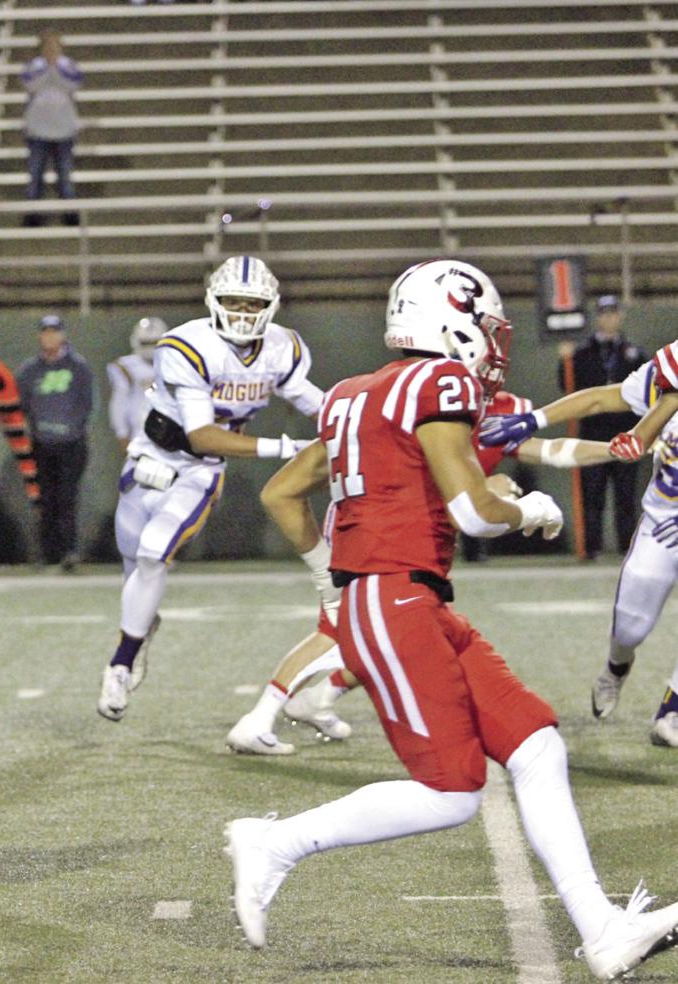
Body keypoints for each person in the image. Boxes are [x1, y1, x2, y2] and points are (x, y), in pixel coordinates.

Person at [226, 259, 678, 980]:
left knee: (535, 742)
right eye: (485, 327)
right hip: (397, 596)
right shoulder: (442, 382)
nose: (493, 344)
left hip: (404, 598)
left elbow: (284, 493)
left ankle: (601, 929)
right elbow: (473, 510)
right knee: (452, 791)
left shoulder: (352, 394)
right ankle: (276, 842)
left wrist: (331, 577)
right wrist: (528, 507)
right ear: (453, 319)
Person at [228, 388, 628, 755]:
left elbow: (551, 449)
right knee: (341, 628)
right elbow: (407, 475)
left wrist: (615, 448)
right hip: (373, 525)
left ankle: (320, 697)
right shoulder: (415, 398)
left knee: (403, 630)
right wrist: (486, 487)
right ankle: (259, 719)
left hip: (417, 536)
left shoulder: (493, 406)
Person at [98, 257, 321, 722]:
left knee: (154, 553)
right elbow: (201, 432)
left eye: (252, 303)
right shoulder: (187, 344)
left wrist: (350, 420)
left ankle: (120, 663)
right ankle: (139, 632)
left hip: (201, 470)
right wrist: (288, 446)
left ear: (271, 306)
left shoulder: (283, 349)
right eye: (233, 302)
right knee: (134, 564)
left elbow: (314, 401)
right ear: (213, 302)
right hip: (152, 454)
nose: (242, 312)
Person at [481, 341, 678, 747]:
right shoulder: (664, 383)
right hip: (664, 518)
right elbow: (603, 400)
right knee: (631, 621)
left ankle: (672, 707)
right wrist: (535, 418)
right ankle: (616, 667)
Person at [562, 294, 649, 558]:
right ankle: (591, 547)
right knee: (593, 493)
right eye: (604, 313)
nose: (609, 318)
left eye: (613, 313)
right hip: (593, 431)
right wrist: (564, 361)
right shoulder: (582, 353)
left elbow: (646, 391)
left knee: (625, 495)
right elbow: (567, 386)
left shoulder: (634, 353)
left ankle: (626, 546)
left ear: (620, 316)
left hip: (626, 431)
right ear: (598, 317)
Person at [17, 315, 95, 570]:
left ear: (63, 335)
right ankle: (48, 552)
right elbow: (23, 406)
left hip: (71, 444)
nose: (50, 337)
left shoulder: (78, 367)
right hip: (41, 444)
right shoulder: (29, 370)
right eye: (46, 332)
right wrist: (41, 429)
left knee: (67, 498)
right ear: (40, 336)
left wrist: (69, 429)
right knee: (46, 499)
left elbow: (87, 404)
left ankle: (69, 551)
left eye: (55, 332)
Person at [20, 29, 82, 227]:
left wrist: (55, 68)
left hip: (63, 131)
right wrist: (47, 68)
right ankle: (32, 214)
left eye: (54, 46)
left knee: (64, 175)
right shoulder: (34, 66)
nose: (51, 50)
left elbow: (73, 83)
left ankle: (70, 213)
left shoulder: (68, 65)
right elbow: (30, 84)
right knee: (35, 174)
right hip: (38, 131)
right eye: (48, 46)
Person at [106, 317, 168, 454]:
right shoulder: (125, 367)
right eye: (146, 343)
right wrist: (122, 433)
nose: (150, 348)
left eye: (154, 342)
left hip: (173, 433)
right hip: (140, 434)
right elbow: (119, 403)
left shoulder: (176, 364)